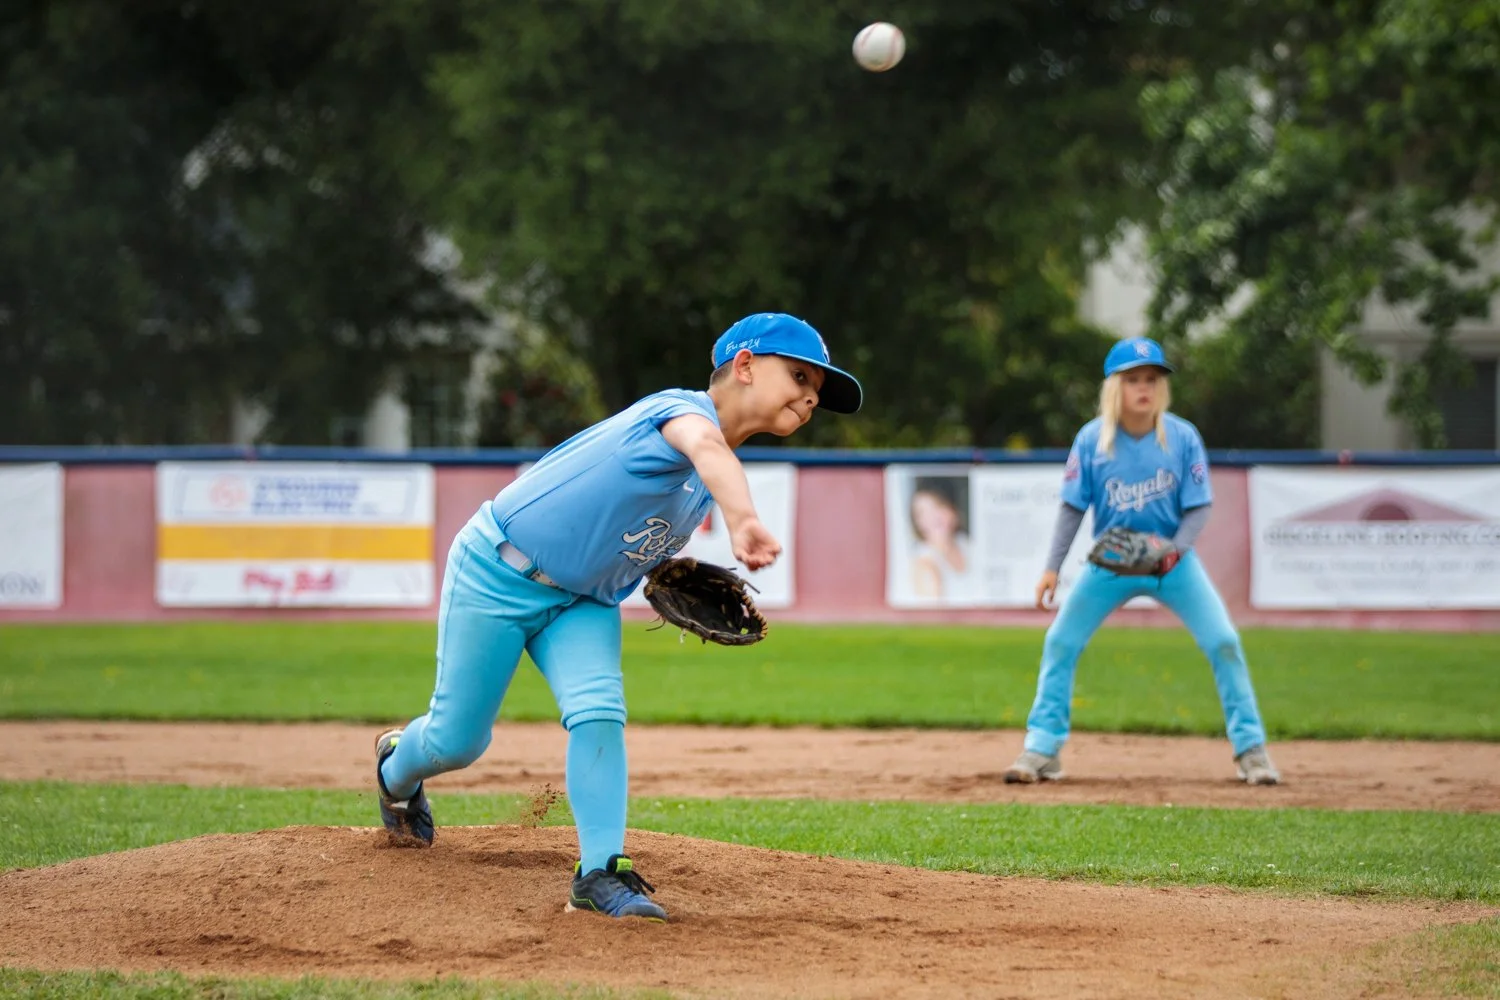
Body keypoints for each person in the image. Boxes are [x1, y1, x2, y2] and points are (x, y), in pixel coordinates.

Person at [374, 312, 862, 921]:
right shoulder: (681, 414)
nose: (811, 394)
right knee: (457, 741)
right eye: (798, 375)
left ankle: (599, 871)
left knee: (599, 711)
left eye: (817, 388)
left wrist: (658, 567)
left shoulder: (702, 480)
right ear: (743, 366)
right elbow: (707, 448)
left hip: (582, 603)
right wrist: (743, 520)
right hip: (497, 573)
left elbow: (623, 523)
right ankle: (397, 767)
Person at [1003, 337, 1281, 786]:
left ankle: (1251, 750)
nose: (1144, 387)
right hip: (1111, 561)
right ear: (1116, 386)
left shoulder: (1182, 436)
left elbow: (1199, 507)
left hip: (1171, 561)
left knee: (1224, 641)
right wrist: (1052, 567)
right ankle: (1043, 748)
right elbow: (1073, 507)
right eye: (1133, 379)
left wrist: (1175, 551)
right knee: (1060, 642)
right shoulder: (1093, 439)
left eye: (1151, 378)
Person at [909, 481, 978, 601]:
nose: (933, 517)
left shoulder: (967, 544)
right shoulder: (925, 564)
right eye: (922, 513)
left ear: (952, 509)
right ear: (917, 523)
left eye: (938, 507)